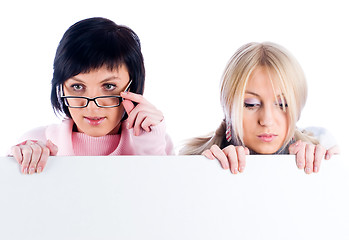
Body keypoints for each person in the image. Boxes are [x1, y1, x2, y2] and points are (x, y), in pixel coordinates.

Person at [10, 17, 173, 174]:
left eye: (109, 86)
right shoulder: (38, 142)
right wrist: (22, 163)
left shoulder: (156, 140)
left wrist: (150, 148)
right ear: (61, 87)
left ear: (133, 86)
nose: (92, 106)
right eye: (77, 86)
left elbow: (164, 199)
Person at [180, 42, 339, 174]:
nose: (267, 120)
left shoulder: (323, 145)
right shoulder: (194, 161)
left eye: (282, 104)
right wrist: (207, 170)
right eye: (251, 104)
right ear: (228, 108)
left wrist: (331, 169)